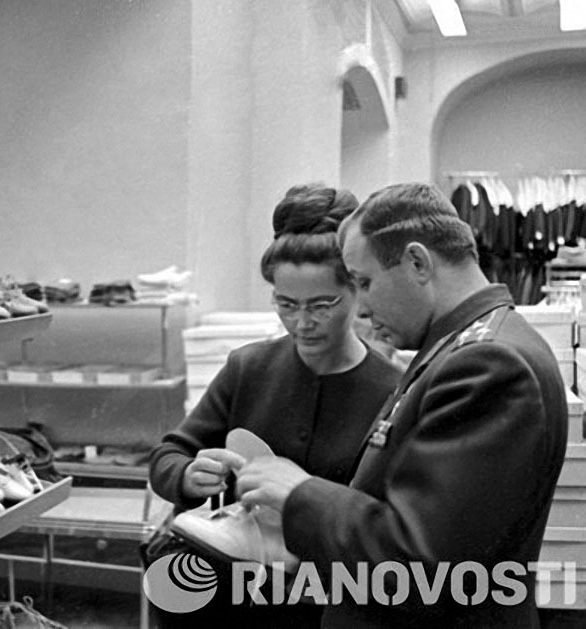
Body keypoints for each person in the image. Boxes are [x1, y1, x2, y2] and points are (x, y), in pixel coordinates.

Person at [236, 182, 568, 627]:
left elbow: (419, 563)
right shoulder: (456, 348)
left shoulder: (488, 365)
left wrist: (299, 494)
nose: (362, 308)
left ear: (417, 262)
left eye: (365, 282)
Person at [148, 183, 402, 627]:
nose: (302, 322)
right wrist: (189, 476)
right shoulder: (249, 368)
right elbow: (168, 455)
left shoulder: (392, 390)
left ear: (357, 290)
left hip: (327, 603)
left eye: (323, 305)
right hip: (230, 602)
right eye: (286, 304)